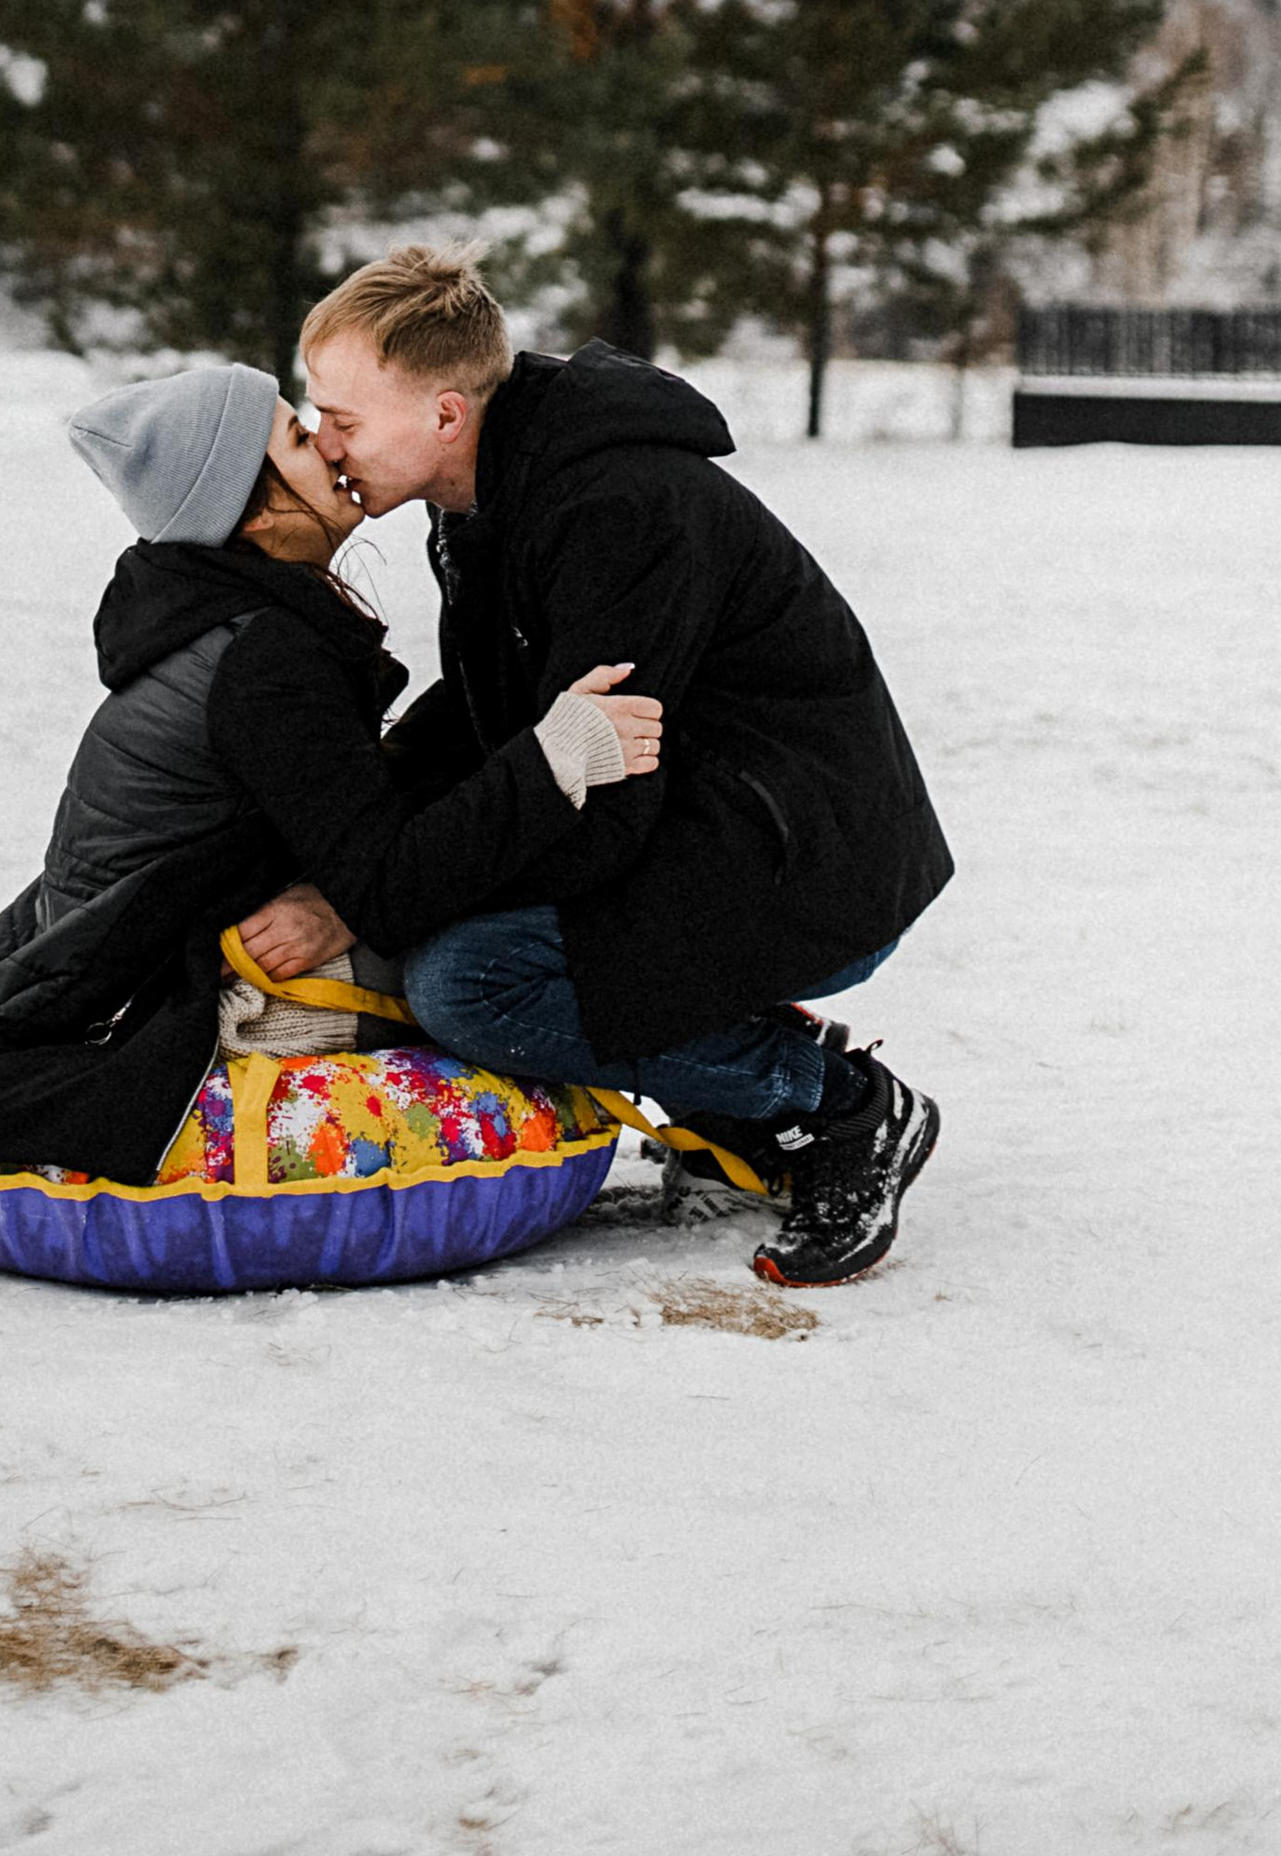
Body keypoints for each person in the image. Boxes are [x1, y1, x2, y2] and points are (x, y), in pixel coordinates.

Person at [246, 248, 953, 1287]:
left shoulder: (616, 509)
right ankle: (722, 1056)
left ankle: (834, 1106)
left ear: (445, 414)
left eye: (342, 419)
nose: (322, 441)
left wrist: (378, 900)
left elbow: (598, 810)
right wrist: (366, 842)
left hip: (808, 857)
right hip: (703, 825)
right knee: (459, 927)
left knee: (469, 981)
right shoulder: (485, 497)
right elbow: (493, 714)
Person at [0, 354, 662, 1187]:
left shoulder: (229, 616)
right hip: (151, 970)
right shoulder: (265, 655)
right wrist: (551, 763)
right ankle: (760, 1078)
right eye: (302, 439)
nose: (335, 452)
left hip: (141, 936)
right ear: (250, 505)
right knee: (501, 961)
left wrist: (339, 890)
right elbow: (387, 873)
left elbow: (349, 798)